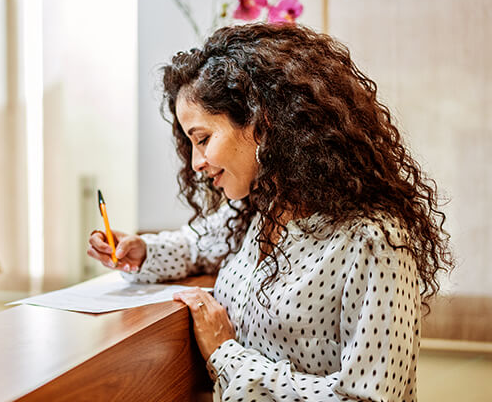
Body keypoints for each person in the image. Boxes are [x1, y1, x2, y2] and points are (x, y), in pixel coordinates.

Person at [88, 23, 452, 401]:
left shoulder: (375, 241)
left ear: (262, 124)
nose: (196, 162)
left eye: (203, 139)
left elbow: (365, 398)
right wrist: (141, 251)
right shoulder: (260, 210)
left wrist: (225, 355)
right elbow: (196, 245)